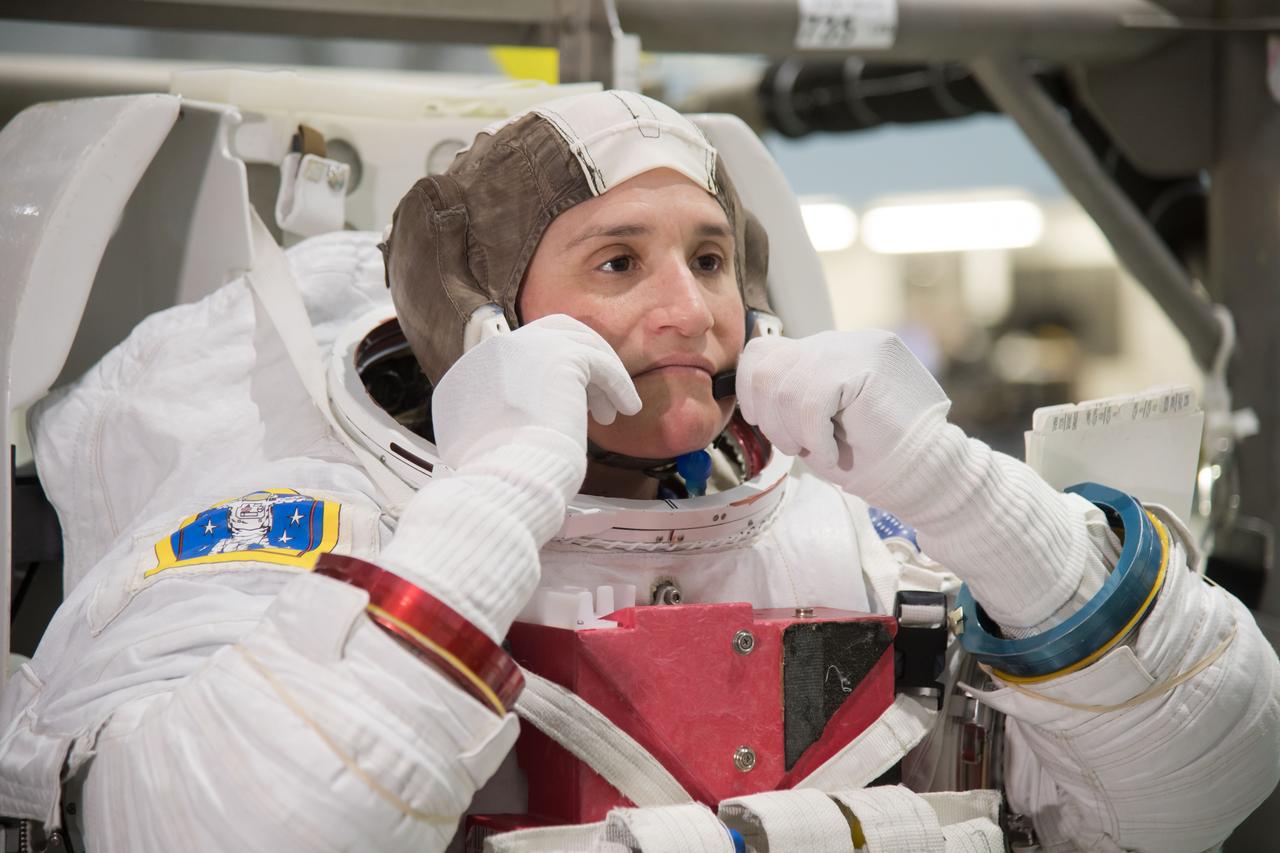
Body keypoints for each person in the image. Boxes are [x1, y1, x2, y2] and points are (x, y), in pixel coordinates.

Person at [1, 89, 1276, 853]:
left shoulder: (840, 521)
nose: (691, 312)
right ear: (484, 310)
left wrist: (951, 481)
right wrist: (499, 486)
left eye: (712, 259)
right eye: (618, 263)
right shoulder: (315, 519)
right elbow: (242, 825)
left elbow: (1205, 782)